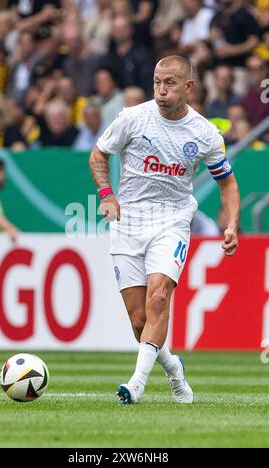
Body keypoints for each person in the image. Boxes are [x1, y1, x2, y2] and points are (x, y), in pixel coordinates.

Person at [89, 55, 240, 405]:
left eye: (170, 83)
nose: (161, 90)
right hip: (129, 223)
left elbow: (228, 184)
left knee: (158, 297)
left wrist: (231, 223)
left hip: (171, 221)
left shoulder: (204, 133)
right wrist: (107, 194)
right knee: (140, 319)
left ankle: (136, 384)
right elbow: (98, 155)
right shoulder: (132, 118)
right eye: (157, 82)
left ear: (188, 86)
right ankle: (174, 369)